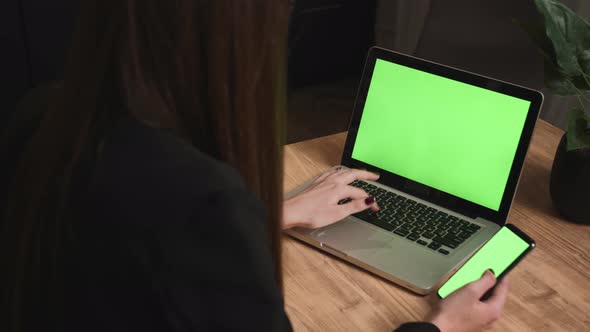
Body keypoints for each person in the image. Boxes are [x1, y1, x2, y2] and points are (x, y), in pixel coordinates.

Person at [0, 1, 509, 331]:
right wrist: (442, 327)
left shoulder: (45, 114)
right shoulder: (203, 201)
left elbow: (127, 251)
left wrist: (273, 214)